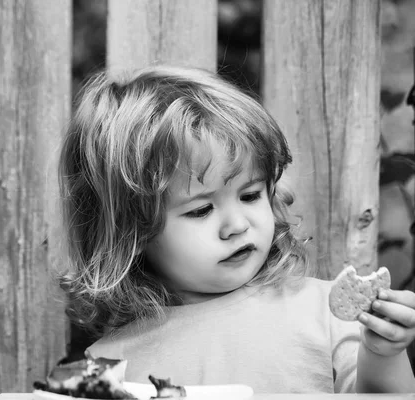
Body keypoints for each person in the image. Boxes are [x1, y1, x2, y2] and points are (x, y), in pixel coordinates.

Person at [56, 65, 415, 393]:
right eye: (200, 210)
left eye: (250, 195)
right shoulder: (107, 368)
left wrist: (383, 354)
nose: (237, 225)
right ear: (130, 233)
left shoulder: (324, 314)